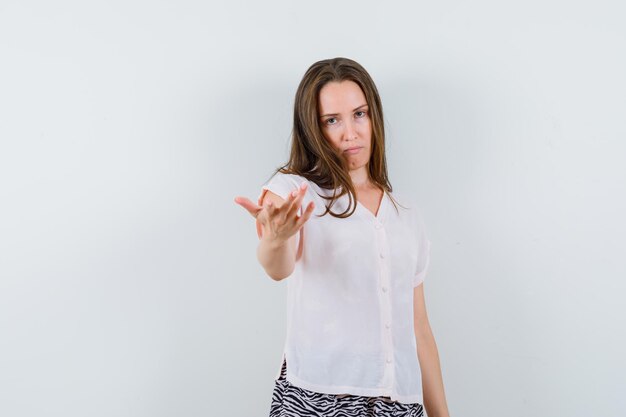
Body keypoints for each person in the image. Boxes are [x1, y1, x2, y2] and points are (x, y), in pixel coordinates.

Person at [234, 57, 450, 417]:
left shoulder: (407, 214)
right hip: (317, 397)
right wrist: (274, 239)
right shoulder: (294, 191)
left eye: (359, 114)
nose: (349, 133)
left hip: (399, 402)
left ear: (373, 117)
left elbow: (419, 327)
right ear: (313, 129)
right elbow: (277, 266)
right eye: (331, 120)